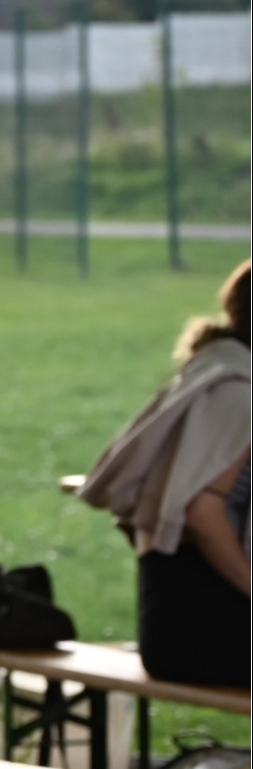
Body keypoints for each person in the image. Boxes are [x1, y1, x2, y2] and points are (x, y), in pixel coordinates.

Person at [82, 261, 250, 688]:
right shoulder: (238, 394)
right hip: (200, 631)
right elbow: (202, 514)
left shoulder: (212, 371)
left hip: (179, 619)